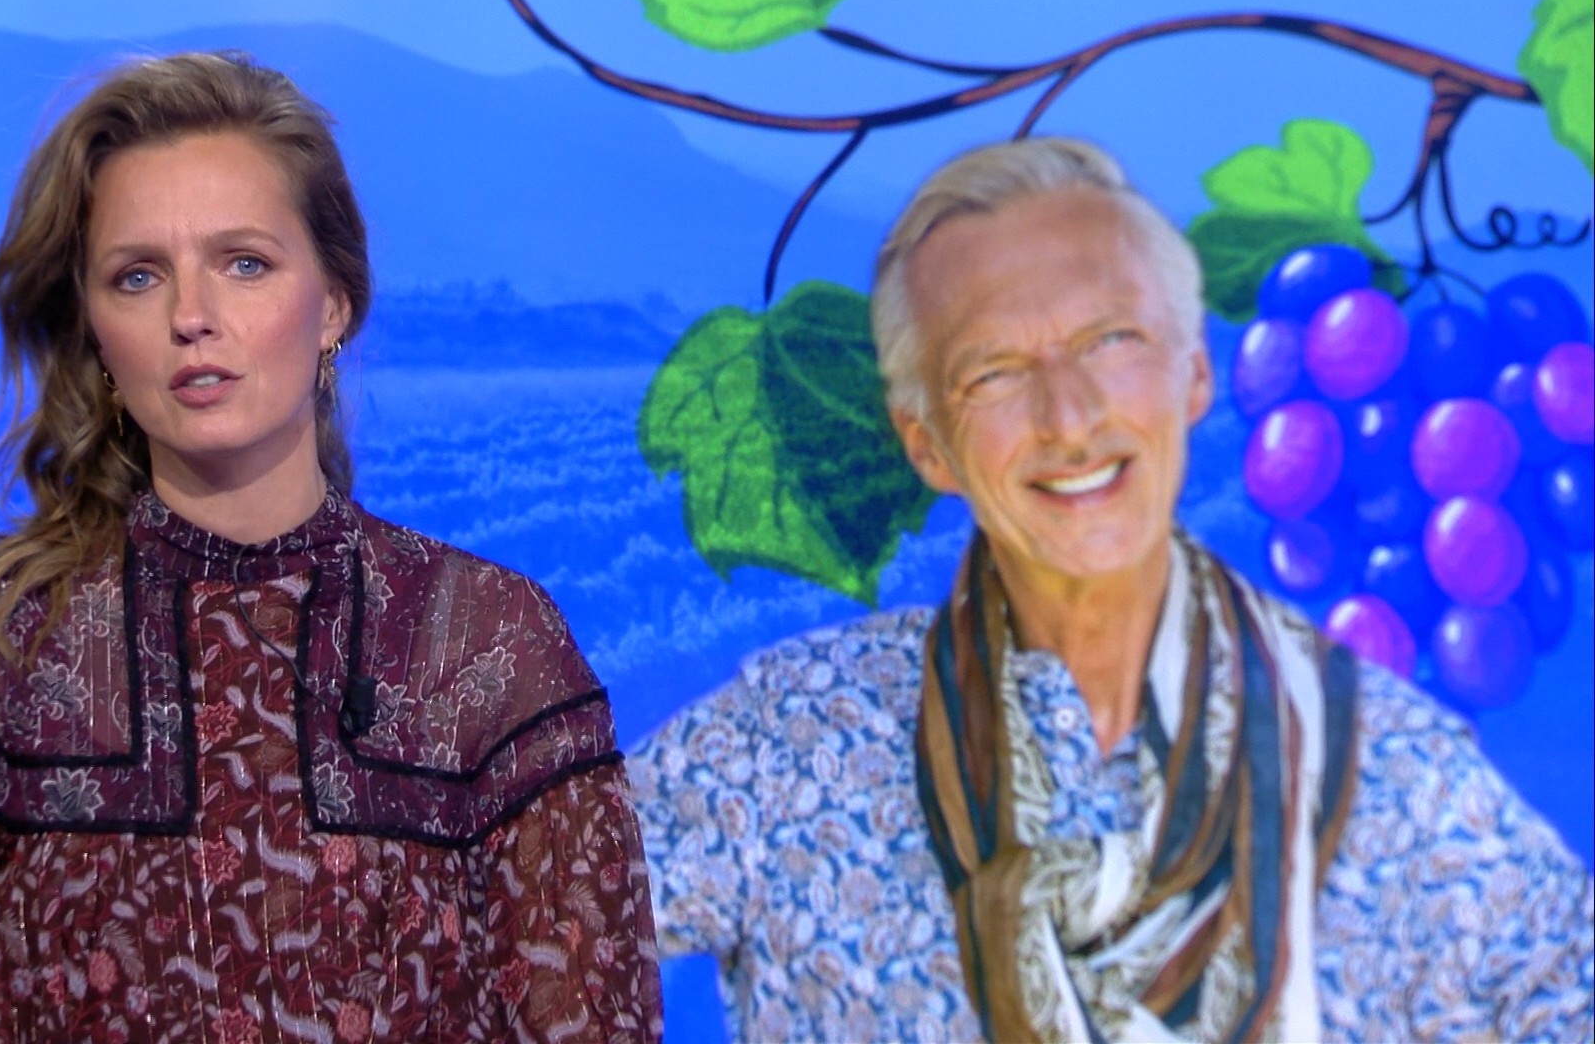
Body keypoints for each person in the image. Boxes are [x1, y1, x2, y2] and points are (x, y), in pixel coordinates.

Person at [629, 137, 1593, 1041]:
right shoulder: (793, 740)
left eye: (1111, 340)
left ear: (1194, 374)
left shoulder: (1396, 771)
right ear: (929, 447)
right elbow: (535, 919)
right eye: (995, 372)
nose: (1069, 416)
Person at [0, 51, 662, 1042]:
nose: (191, 318)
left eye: (243, 263)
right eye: (138, 276)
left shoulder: (485, 645)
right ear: (97, 333)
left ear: (334, 303)